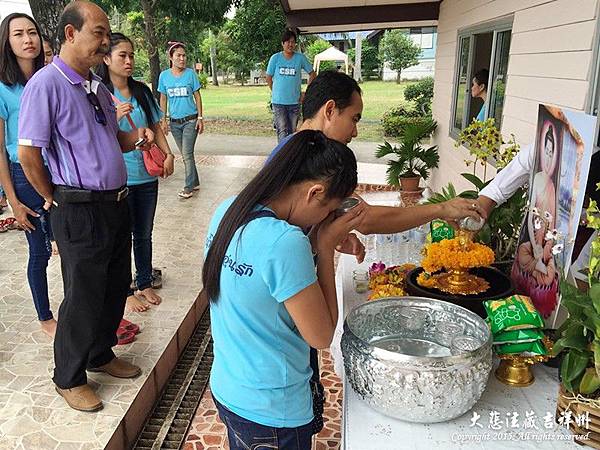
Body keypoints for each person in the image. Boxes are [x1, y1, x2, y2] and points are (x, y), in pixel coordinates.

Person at [17, 1, 155, 412]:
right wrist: (51, 197)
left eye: (106, 33)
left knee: (115, 285)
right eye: (98, 32)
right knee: (83, 294)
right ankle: (68, 376)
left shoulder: (96, 86)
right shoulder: (47, 84)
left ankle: (100, 354)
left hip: (115, 203)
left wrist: (140, 137)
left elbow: (113, 140)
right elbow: (29, 154)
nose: (106, 40)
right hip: (77, 207)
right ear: (70, 35)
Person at [203, 129, 363, 450]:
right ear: (314, 192)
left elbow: (265, 284)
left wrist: (315, 242)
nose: (324, 219)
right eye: (327, 210)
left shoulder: (229, 210)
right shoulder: (285, 243)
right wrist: (325, 247)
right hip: (272, 413)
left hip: (229, 389)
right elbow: (319, 336)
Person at [267, 71, 487, 236]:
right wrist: (442, 209)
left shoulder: (296, 148)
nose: (355, 132)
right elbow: (365, 218)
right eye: (354, 119)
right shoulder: (308, 159)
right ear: (330, 110)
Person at [97, 32, 175, 313]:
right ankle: (126, 290)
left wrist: (168, 154)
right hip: (119, 179)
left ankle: (144, 282)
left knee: (144, 233)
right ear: (106, 58)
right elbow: (96, 137)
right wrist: (114, 117)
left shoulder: (142, 90)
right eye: (122, 55)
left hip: (147, 176)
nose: (129, 61)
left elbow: (155, 126)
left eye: (131, 55)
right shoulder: (99, 93)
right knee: (121, 236)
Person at [0, 13, 56, 336]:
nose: (28, 39)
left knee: (69, 244)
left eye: (32, 32)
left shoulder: (50, 78)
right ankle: (44, 314)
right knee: (39, 250)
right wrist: (12, 199)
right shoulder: (4, 89)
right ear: (7, 43)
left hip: (59, 171)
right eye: (18, 34)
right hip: (24, 174)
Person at [158, 41, 203, 199]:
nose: (182, 59)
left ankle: (188, 187)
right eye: (179, 55)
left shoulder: (191, 74)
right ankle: (195, 181)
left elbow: (197, 96)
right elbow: (163, 99)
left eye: (184, 55)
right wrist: (163, 120)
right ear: (171, 57)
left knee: (186, 154)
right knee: (187, 155)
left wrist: (200, 118)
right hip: (174, 123)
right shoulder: (164, 76)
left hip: (191, 120)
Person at [266, 29, 315, 142]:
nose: (290, 44)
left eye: (293, 42)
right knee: (282, 130)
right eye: (287, 42)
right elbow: (268, 77)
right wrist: (275, 91)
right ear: (283, 43)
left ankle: (291, 155)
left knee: (292, 131)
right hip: (278, 103)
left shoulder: (300, 58)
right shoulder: (275, 58)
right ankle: (283, 156)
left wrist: (306, 93)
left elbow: (312, 74)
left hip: (294, 102)